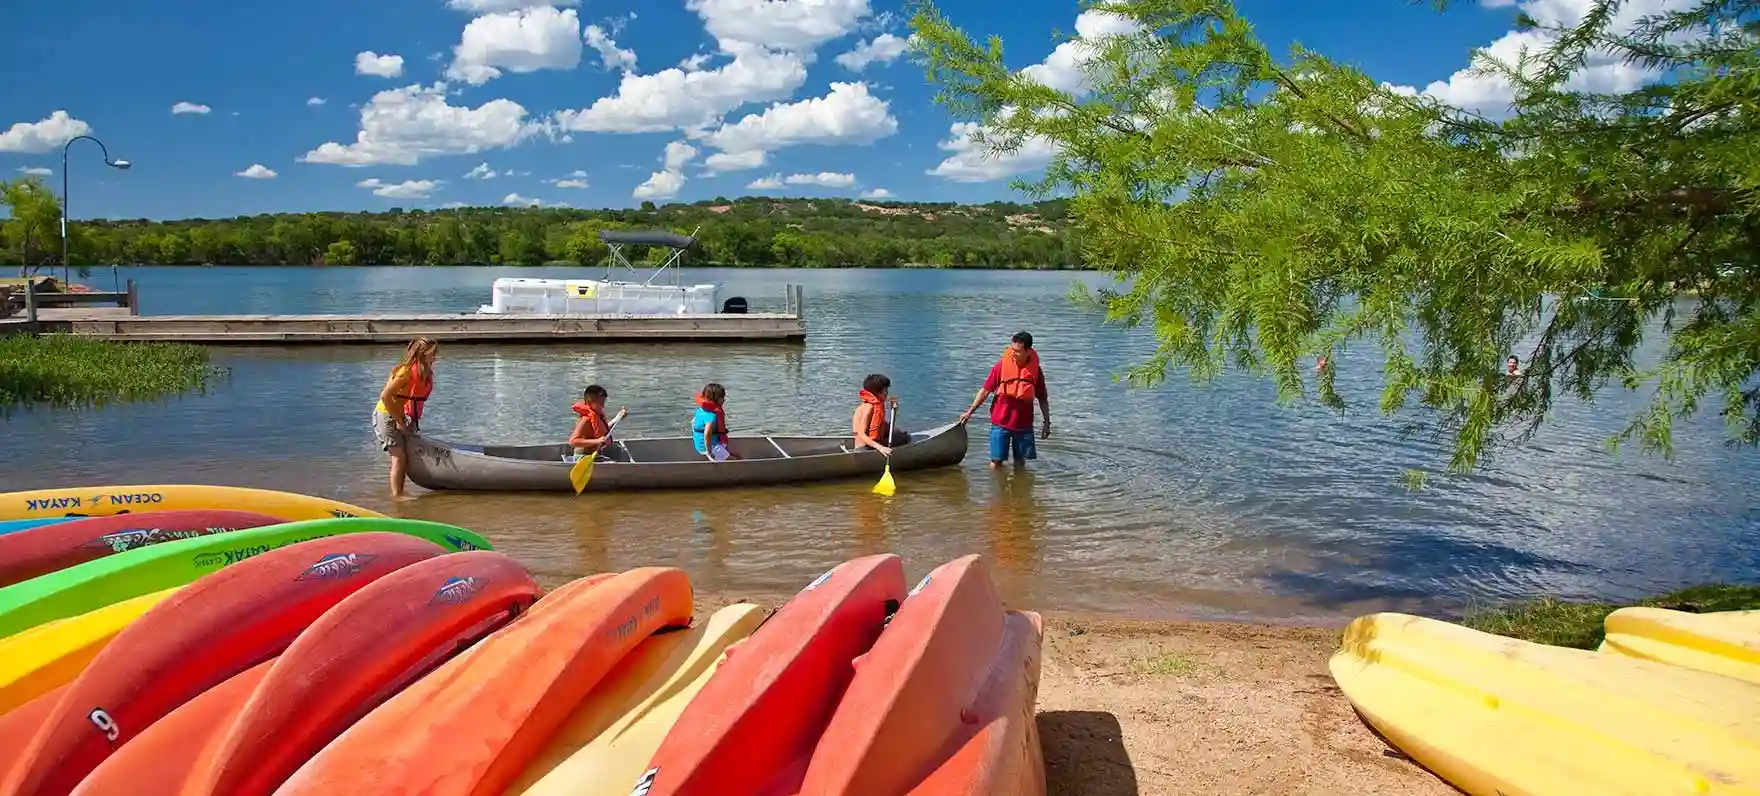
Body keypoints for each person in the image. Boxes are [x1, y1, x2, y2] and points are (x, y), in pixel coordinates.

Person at [958, 331, 1050, 469]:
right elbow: (985, 391)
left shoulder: (1036, 371)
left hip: (1024, 424)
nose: (1013, 353)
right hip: (1000, 423)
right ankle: (996, 484)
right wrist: (969, 412)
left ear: (1028, 351)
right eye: (1012, 349)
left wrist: (1047, 423)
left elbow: (1043, 399)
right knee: (996, 462)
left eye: (1017, 351)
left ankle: (1018, 484)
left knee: (1020, 464)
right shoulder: (1001, 366)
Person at [373, 336, 437, 499]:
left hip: (404, 416)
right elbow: (386, 396)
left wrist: (407, 421)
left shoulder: (425, 373)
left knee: (407, 455)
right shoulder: (405, 372)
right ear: (421, 354)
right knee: (399, 456)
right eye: (432, 354)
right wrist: (399, 420)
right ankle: (398, 496)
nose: (435, 358)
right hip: (387, 414)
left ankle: (401, 492)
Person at [853, 373, 909, 455]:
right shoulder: (869, 407)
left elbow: (888, 429)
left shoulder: (871, 405)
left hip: (870, 444)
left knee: (896, 431)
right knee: (905, 437)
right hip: (864, 448)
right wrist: (881, 448)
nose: (887, 393)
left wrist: (894, 411)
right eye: (885, 390)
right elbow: (861, 434)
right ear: (877, 392)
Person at [568, 384, 628, 460]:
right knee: (612, 462)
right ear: (589, 402)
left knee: (616, 450)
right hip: (583, 457)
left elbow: (603, 431)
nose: (603, 406)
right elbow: (573, 442)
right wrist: (597, 441)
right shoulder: (585, 419)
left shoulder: (597, 416)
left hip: (594, 455)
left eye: (603, 403)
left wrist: (617, 418)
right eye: (600, 403)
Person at [692, 382, 740, 462]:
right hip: (711, 447)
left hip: (700, 444)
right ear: (715, 399)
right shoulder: (711, 415)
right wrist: (709, 452)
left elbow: (693, 422)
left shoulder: (701, 410)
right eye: (722, 398)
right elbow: (707, 434)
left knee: (736, 456)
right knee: (735, 460)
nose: (724, 400)